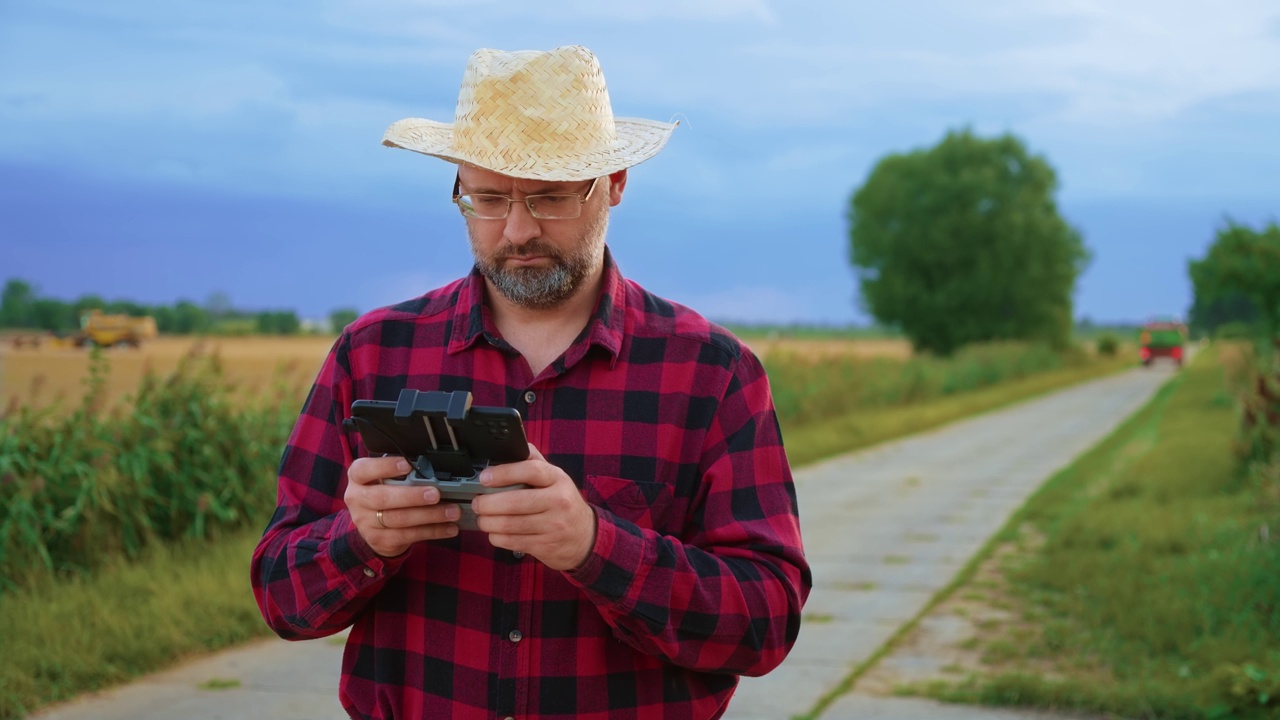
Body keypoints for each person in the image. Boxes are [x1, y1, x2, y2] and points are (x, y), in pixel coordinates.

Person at [251, 45, 811, 720]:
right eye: (487, 198)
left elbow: (766, 622)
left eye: (548, 197)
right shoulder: (373, 354)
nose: (516, 230)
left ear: (615, 182)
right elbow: (281, 598)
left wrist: (595, 546)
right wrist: (361, 539)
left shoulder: (712, 374)